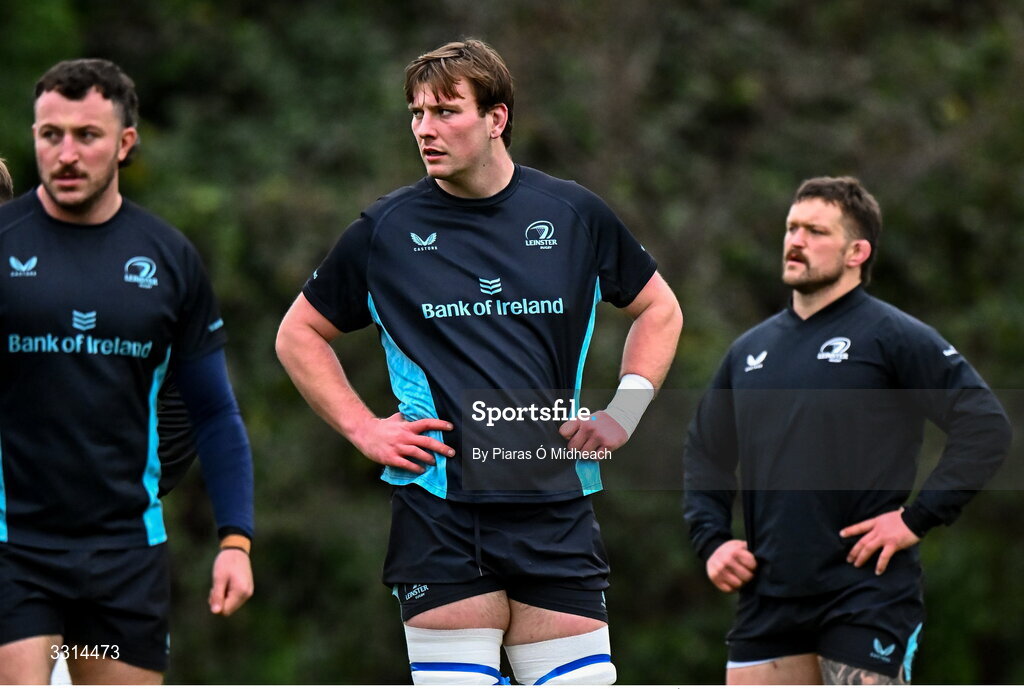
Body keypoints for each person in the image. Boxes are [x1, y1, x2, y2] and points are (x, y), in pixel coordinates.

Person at [277, 39, 682, 685]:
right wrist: (364, 428)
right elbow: (299, 332)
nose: (425, 129)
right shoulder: (386, 229)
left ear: (496, 118)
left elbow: (659, 309)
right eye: (416, 113)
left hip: (554, 503)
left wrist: (624, 411)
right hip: (440, 511)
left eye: (445, 111)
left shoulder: (572, 213)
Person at [683, 176, 1012, 685]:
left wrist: (916, 518)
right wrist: (713, 541)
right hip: (768, 597)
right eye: (792, 228)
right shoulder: (748, 352)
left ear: (858, 251)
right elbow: (706, 452)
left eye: (816, 231)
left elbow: (986, 425)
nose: (796, 241)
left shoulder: (891, 336)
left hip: (866, 593)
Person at [0, 58, 255, 685]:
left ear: (124, 143)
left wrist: (235, 540)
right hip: (13, 549)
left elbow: (213, 412)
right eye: (49, 134)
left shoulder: (168, 261)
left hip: (123, 557)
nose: (65, 153)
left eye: (86, 135)